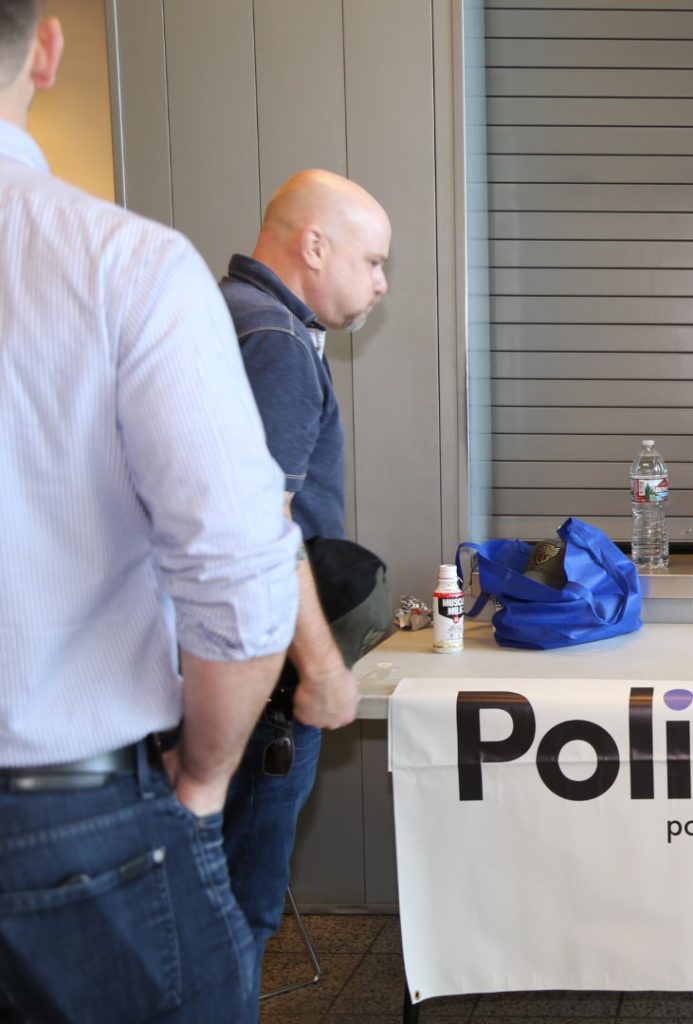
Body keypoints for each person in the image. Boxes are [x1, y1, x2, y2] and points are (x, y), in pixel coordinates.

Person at [0, 2, 301, 1019]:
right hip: (66, 825)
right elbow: (240, 570)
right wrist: (205, 779)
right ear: (48, 48)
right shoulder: (120, 265)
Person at [217, 168, 390, 972]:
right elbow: (261, 527)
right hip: (262, 679)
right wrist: (319, 668)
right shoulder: (277, 343)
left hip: (213, 664)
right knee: (240, 912)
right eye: (374, 261)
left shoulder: (225, 313)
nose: (381, 284)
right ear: (315, 245)